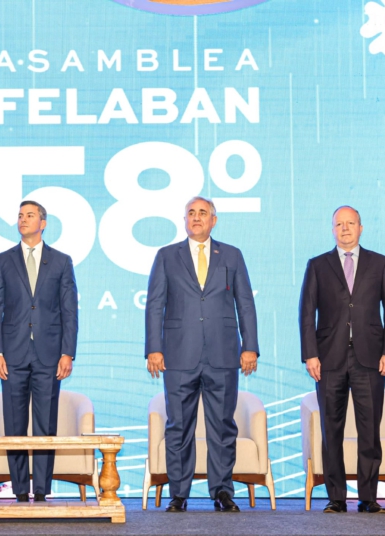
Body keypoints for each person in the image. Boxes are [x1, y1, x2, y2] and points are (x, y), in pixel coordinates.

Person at [145, 196, 259, 513]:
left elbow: (245, 303)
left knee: (222, 426)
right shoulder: (167, 256)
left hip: (223, 354)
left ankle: (222, 491)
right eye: (191, 213)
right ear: (185, 220)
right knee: (178, 426)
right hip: (178, 355)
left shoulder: (232, 255)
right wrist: (154, 348)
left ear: (213, 220)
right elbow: (155, 305)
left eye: (203, 213)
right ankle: (178, 494)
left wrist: (250, 346)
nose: (196, 218)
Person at [299, 206, 385, 514]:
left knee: (369, 430)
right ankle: (336, 498)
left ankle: (368, 497)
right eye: (338, 224)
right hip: (328, 359)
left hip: (371, 359)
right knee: (332, 430)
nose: (344, 228)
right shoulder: (317, 265)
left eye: (350, 223)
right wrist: (310, 354)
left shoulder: (380, 263)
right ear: (332, 230)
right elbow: (307, 314)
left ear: (361, 227)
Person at [0, 200, 78, 502]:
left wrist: (68, 352)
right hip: (11, 353)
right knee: (14, 423)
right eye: (20, 216)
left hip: (50, 353)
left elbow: (69, 311)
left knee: (45, 423)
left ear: (44, 222)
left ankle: (41, 490)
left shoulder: (62, 261)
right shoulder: (2, 260)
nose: (23, 220)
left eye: (30, 215)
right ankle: (20, 489)